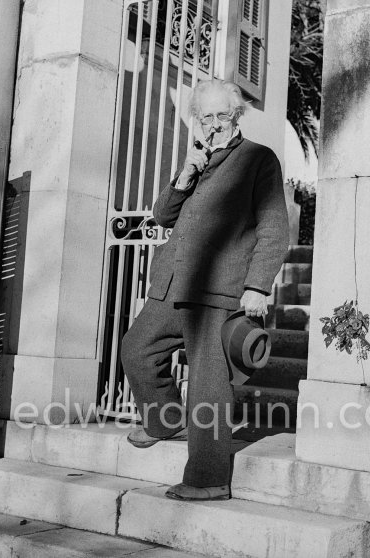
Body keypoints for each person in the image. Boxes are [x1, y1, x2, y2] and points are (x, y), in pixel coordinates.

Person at [121, 79, 289, 501]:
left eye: (222, 115)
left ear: (237, 115)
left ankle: (208, 479)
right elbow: (162, 216)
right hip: (174, 283)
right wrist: (187, 171)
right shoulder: (197, 159)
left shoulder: (258, 159)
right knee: (137, 348)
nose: (214, 123)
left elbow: (273, 229)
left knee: (208, 385)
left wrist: (257, 286)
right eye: (206, 116)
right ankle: (164, 419)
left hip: (221, 288)